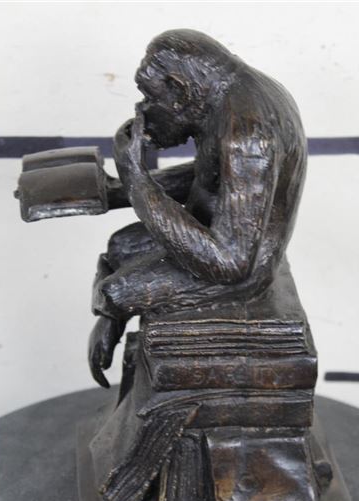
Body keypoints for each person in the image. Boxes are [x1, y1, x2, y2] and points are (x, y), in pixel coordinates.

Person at [88, 29, 307, 387]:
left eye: (150, 97)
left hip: (243, 266)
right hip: (217, 234)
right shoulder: (229, 97)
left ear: (181, 91)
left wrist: (138, 181)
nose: (142, 109)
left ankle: (115, 326)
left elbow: (230, 263)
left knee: (114, 291)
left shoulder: (246, 136)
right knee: (120, 246)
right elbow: (211, 176)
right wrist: (118, 190)